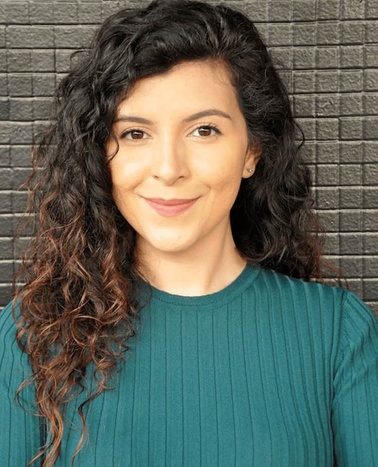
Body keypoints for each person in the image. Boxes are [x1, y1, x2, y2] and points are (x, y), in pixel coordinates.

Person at [1, 0, 377, 465]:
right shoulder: (31, 336)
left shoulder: (338, 334)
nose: (169, 170)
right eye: (135, 134)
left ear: (252, 151)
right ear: (101, 155)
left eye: (204, 130)